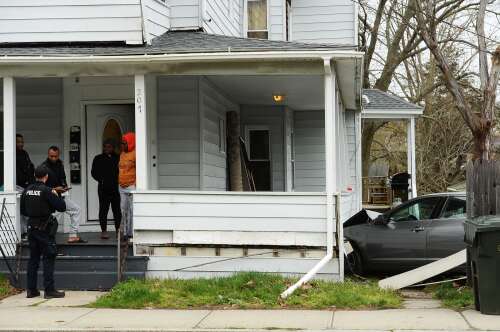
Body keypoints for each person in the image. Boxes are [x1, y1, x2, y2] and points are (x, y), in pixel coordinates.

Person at [21, 165, 66, 299]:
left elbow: (22, 211)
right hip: (44, 229)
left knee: (33, 259)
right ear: (46, 176)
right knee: (48, 257)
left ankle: (31, 290)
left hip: (31, 228)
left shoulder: (27, 190)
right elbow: (62, 207)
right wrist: (56, 194)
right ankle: (49, 290)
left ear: (35, 176)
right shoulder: (47, 191)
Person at [42, 146, 86, 243]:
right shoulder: (43, 168)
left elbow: (62, 178)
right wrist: (54, 189)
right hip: (51, 199)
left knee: (76, 210)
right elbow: (41, 187)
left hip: (62, 196)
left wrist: (64, 187)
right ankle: (47, 240)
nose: (53, 158)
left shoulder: (60, 165)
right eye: (51, 156)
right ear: (48, 155)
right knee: (52, 219)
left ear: (58, 155)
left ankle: (73, 235)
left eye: (55, 156)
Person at [91, 139, 121, 239]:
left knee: (117, 210)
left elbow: (121, 171)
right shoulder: (98, 158)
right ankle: (104, 231)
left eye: (109, 146)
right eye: (105, 146)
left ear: (113, 148)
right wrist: (101, 180)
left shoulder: (118, 158)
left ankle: (118, 231)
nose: (107, 148)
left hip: (116, 188)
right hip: (103, 188)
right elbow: (93, 172)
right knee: (103, 210)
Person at [16, 134, 35, 237]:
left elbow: (30, 168)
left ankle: (27, 232)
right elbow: (18, 173)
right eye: (18, 142)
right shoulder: (12, 154)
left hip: (27, 185)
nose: (21, 144)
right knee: (22, 210)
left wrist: (31, 181)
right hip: (17, 186)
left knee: (26, 209)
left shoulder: (24, 153)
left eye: (22, 142)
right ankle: (23, 232)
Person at [119, 133, 136, 239]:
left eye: (124, 143)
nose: (122, 145)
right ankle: (125, 232)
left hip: (131, 186)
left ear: (130, 143)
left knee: (132, 210)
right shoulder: (122, 154)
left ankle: (131, 233)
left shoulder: (135, 154)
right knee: (123, 209)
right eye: (122, 143)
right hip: (121, 186)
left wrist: (136, 184)